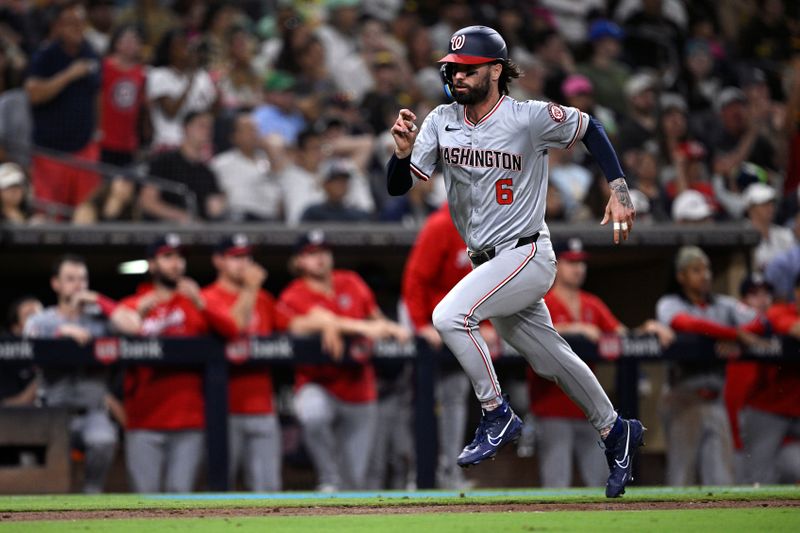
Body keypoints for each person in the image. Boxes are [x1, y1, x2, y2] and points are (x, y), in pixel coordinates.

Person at [387, 25, 643, 498]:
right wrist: (401, 156)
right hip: (487, 261)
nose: (456, 74)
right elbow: (399, 186)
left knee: (448, 315)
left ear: (496, 70)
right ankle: (616, 430)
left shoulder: (528, 117)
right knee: (554, 360)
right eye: (453, 67)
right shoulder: (441, 119)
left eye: (468, 69)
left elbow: (592, 128)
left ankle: (495, 412)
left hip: (526, 251)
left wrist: (619, 188)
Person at [528, 239, 673, 488]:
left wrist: (647, 329)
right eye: (572, 262)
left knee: (597, 482)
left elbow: (621, 335)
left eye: (582, 263)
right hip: (551, 406)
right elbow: (530, 334)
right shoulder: (542, 302)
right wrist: (575, 329)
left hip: (588, 410)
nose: (578, 268)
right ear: (556, 264)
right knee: (555, 482)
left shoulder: (591, 303)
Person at [278, 230, 410, 491]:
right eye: (312, 253)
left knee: (355, 479)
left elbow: (377, 322)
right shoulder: (294, 294)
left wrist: (385, 327)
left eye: (324, 251)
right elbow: (298, 325)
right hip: (319, 383)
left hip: (359, 389)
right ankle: (328, 478)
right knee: (312, 413)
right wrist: (334, 323)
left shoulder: (350, 281)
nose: (321, 258)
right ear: (299, 262)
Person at [118, 234, 238, 493]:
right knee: (143, 503)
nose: (176, 263)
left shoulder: (195, 302)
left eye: (180, 257)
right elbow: (110, 339)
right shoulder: (134, 303)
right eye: (168, 256)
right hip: (144, 419)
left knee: (180, 500)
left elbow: (231, 330)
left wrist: (200, 302)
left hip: (188, 418)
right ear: (152, 264)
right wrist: (137, 314)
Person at [23, 254, 140, 493]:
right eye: (70, 279)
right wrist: (60, 332)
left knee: (103, 440)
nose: (78, 285)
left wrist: (98, 299)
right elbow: (28, 334)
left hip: (92, 410)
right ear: (56, 283)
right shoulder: (43, 320)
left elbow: (134, 326)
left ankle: (92, 497)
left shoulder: (99, 319)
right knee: (52, 483)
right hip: (53, 410)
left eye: (82, 279)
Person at [655, 246, 766, 486]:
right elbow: (687, 324)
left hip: (716, 398)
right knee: (681, 477)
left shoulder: (723, 304)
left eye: (706, 269)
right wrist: (733, 334)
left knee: (721, 478)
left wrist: (736, 339)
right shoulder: (669, 303)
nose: (705, 275)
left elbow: (760, 323)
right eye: (696, 270)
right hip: (682, 396)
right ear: (681, 276)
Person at [201, 234, 285, 491]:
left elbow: (292, 327)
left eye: (247, 257)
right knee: (220, 488)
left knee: (269, 490)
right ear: (218, 261)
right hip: (222, 408)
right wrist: (250, 289)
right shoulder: (207, 297)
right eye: (235, 257)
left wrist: (327, 323)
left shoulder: (265, 299)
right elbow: (234, 326)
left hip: (262, 405)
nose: (243, 263)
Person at [401, 202, 475, 489]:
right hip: (423, 317)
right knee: (419, 398)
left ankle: (450, 470)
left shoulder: (488, 222)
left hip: (461, 323)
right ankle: (417, 472)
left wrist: (490, 325)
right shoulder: (442, 224)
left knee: (456, 394)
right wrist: (420, 324)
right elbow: (415, 279)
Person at [25, 1, 101, 208]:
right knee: (51, 216)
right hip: (51, 152)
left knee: (85, 212)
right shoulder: (45, 56)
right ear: (57, 26)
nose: (77, 28)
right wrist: (68, 75)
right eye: (70, 23)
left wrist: (98, 130)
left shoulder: (90, 53)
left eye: (81, 23)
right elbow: (33, 94)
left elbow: (96, 94)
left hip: (84, 149)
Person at [742, 273, 800, 484]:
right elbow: (794, 329)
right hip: (768, 409)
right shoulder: (779, 312)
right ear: (796, 293)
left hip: (795, 412)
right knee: (758, 477)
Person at [140, 110, 227, 222]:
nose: (207, 131)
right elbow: (147, 202)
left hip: (199, 234)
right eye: (201, 126)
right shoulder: (163, 161)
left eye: (210, 127)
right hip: (164, 230)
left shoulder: (208, 173)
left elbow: (213, 209)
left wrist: (221, 204)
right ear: (186, 128)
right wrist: (181, 217)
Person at [211, 112, 283, 222]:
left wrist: (272, 153)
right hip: (240, 219)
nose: (254, 134)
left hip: (270, 220)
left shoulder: (268, 161)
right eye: (248, 130)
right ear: (234, 136)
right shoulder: (221, 163)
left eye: (255, 129)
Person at [98, 25, 146, 168]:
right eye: (127, 40)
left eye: (135, 41)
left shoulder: (141, 73)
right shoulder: (103, 67)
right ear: (116, 43)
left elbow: (140, 108)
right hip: (104, 140)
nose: (131, 44)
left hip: (128, 143)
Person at [0, 296, 42, 406]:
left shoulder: (57, 350)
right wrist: (44, 376)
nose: (38, 321)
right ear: (16, 328)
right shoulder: (6, 357)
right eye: (30, 316)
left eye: (41, 316)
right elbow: (8, 404)